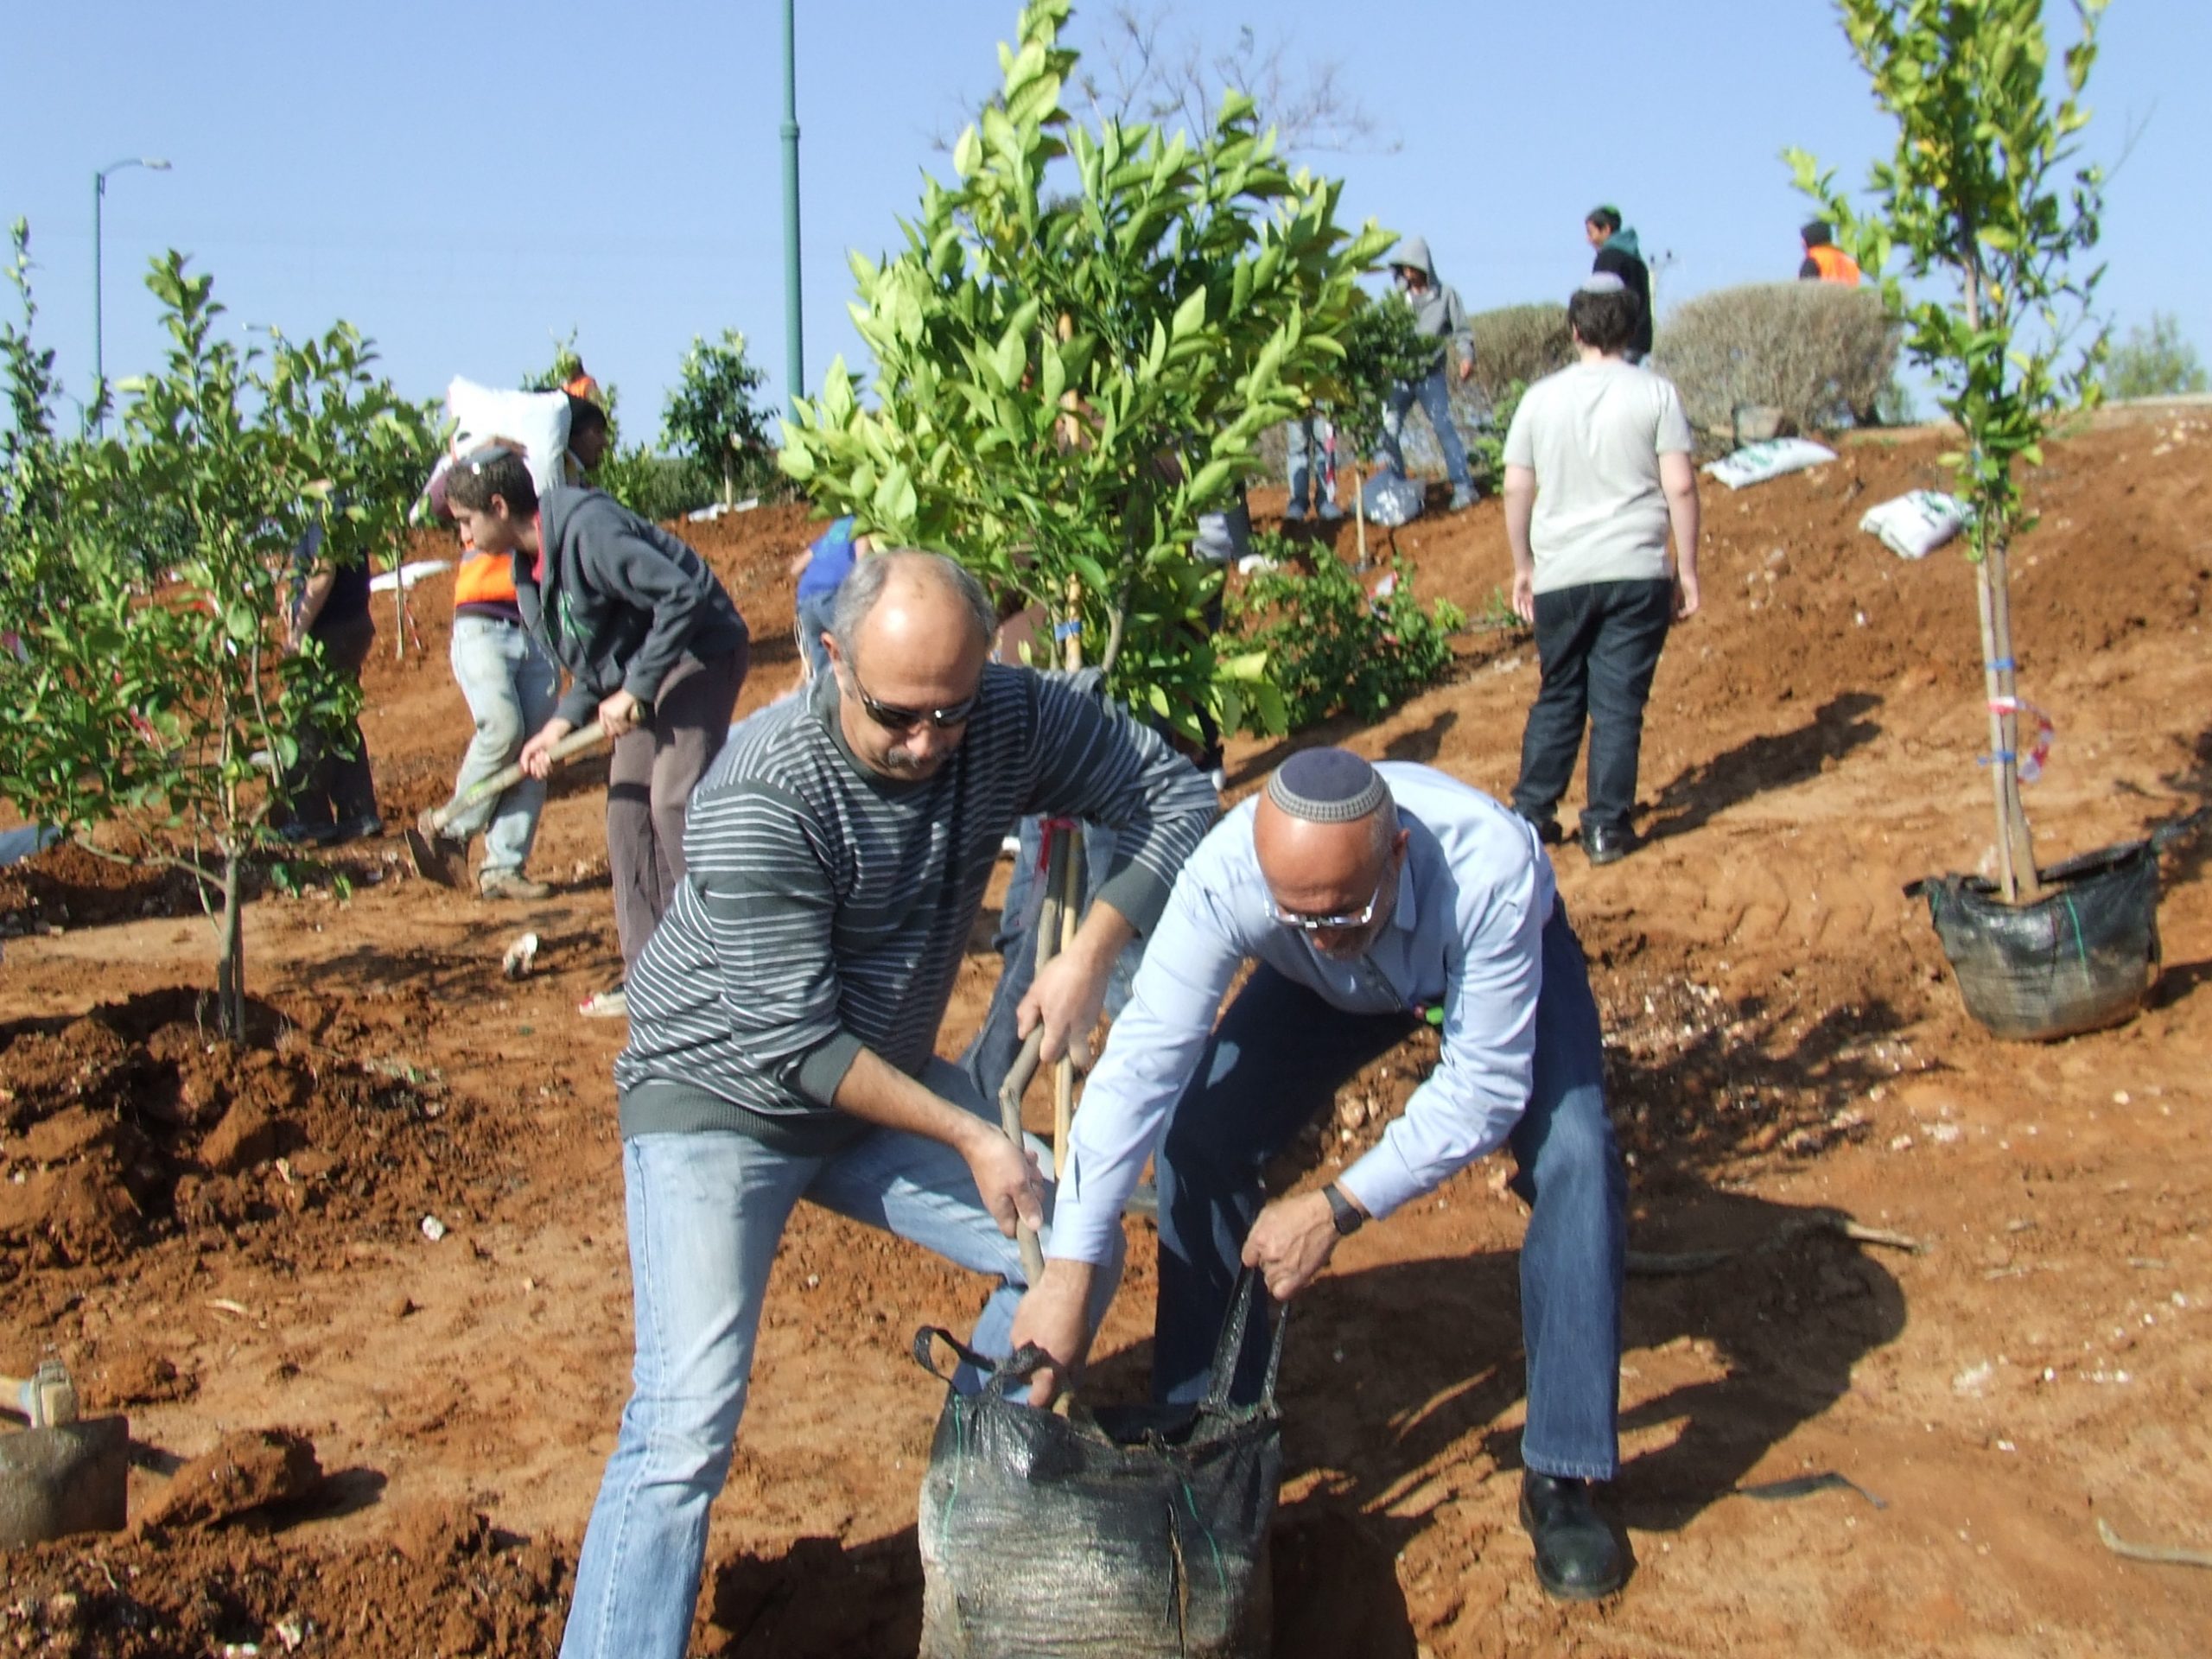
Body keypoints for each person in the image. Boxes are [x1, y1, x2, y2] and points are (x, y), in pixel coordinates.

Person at [557, 550, 1219, 1659]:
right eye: (897, 717)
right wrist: (968, 1130)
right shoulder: (760, 790)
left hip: (874, 1085)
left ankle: (974, 1509)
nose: (927, 746)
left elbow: (1174, 792)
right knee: (683, 1429)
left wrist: (1093, 951)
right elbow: (797, 1045)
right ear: (829, 659)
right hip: (722, 1097)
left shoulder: (996, 714)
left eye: (949, 716)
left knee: (1073, 1247)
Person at [1010, 749, 1629, 1602]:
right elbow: (1146, 1060)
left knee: (1574, 1154)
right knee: (1202, 1138)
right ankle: (1206, 1425)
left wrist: (1336, 1207)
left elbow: (1483, 1091)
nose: (1324, 933)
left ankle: (1563, 1473)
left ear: (1398, 855)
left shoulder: (1490, 865)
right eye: (1296, 914)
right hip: (1318, 995)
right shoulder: (1233, 878)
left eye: (1343, 909)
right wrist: (1071, 1270)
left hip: (1476, 962)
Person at [442, 444, 751, 1017]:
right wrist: (557, 726)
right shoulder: (526, 570)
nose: (463, 537)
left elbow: (682, 596)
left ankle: (732, 967)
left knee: (673, 801)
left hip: (699, 651)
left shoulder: (589, 530)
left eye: (465, 522)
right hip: (643, 670)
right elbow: (595, 662)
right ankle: (655, 975)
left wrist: (636, 690)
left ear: (499, 505)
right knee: (627, 813)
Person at [1501, 274, 1700, 866]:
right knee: (1617, 703)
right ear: (1631, 328)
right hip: (1636, 568)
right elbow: (1682, 486)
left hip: (1561, 570)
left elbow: (1516, 485)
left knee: (1559, 691)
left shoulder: (1540, 398)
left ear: (1575, 329)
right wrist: (1685, 567)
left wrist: (1523, 566)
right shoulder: (1656, 394)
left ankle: (1532, 816)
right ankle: (1606, 828)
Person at [415, 457, 563, 901]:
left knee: (537, 747)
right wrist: (479, 449)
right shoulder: (480, 488)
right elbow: (437, 501)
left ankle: (504, 866)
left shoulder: (546, 492)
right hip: (480, 623)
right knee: (503, 727)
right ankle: (450, 827)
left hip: (535, 627)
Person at [275, 521, 381, 846]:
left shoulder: (322, 510)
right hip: (349, 625)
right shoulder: (334, 505)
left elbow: (324, 571)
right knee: (337, 720)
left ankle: (309, 821)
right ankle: (358, 814)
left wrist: (297, 632)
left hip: (328, 633)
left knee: (305, 722)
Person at [1375, 237, 1479, 512]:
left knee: (1444, 427)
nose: (1408, 274)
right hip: (1399, 377)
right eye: (1404, 269)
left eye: (1412, 268)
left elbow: (1462, 332)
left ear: (1423, 267)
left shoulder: (1446, 295)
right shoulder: (1397, 299)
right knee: (1388, 429)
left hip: (1430, 375)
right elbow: (1382, 334)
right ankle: (1396, 483)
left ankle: (1463, 486)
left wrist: (1466, 357)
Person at [788, 512, 868, 680]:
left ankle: (826, 703)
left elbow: (795, 568)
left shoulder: (833, 532)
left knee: (823, 674)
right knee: (855, 652)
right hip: (832, 596)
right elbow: (862, 564)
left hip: (805, 601)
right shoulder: (864, 526)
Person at [1584, 205, 1654, 361]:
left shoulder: (1609, 257)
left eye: (1591, 232)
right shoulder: (1634, 256)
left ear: (1606, 230)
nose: (1588, 239)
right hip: (1639, 339)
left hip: (1618, 341)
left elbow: (1600, 301)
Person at [1282, 410, 1342, 523]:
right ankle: (1298, 500)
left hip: (1324, 396)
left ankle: (1326, 499)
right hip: (1298, 396)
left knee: (1326, 442)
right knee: (1297, 444)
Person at [1798, 219, 1862, 285]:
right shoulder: (1850, 261)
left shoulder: (1815, 260)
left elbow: (1804, 290)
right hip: (1849, 295)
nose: (1802, 243)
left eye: (1804, 239)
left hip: (1823, 295)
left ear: (1812, 239)